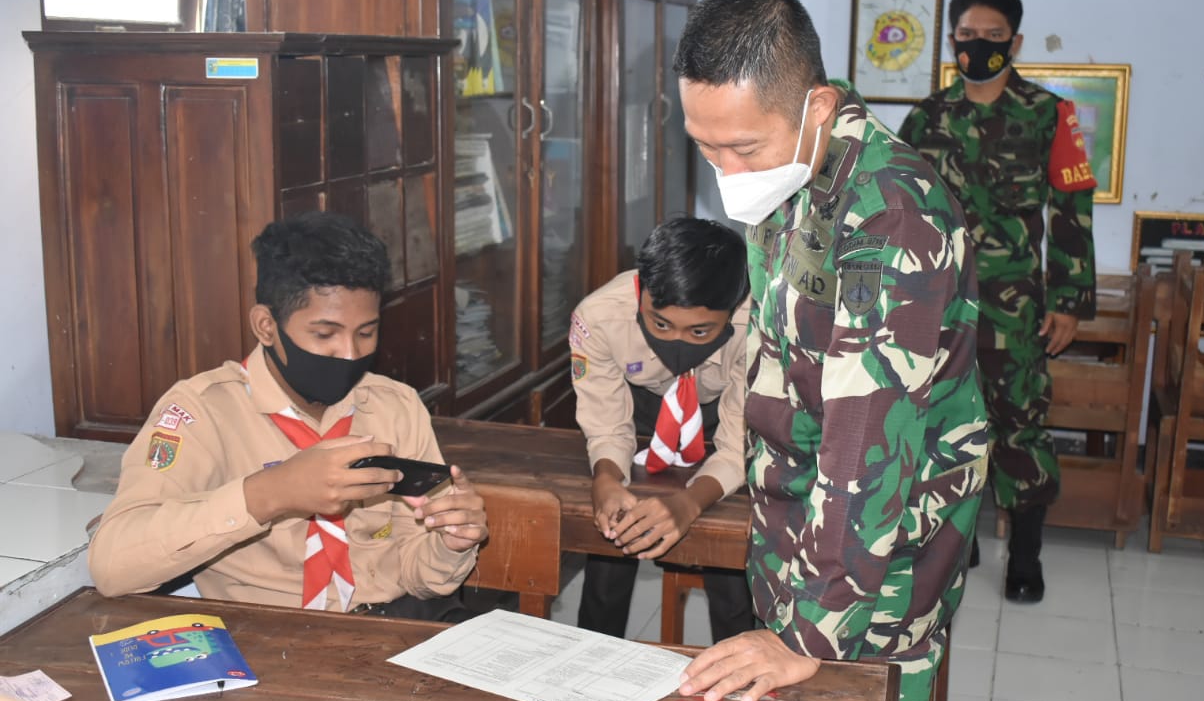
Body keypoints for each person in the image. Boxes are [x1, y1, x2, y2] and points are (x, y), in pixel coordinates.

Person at [671, 0, 988, 701]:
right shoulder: (792, 175)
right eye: (703, 144)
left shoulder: (892, 218)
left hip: (874, 568)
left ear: (816, 105)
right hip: (801, 535)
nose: (723, 168)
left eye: (741, 147)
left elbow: (866, 445)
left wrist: (806, 631)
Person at [88, 212, 487, 618]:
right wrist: (270, 493)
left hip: (389, 623)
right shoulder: (201, 412)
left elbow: (417, 572)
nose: (350, 354)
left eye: (366, 333)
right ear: (266, 326)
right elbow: (112, 567)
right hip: (269, 638)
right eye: (325, 334)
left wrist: (450, 543)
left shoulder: (394, 406)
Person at [899, 0, 1096, 604]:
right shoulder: (925, 118)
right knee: (943, 426)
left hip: (1016, 306)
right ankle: (958, 542)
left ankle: (1026, 557)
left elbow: (1072, 210)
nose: (977, 46)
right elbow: (903, 211)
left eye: (991, 37)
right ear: (952, 38)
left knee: (1020, 427)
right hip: (938, 303)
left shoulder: (1049, 114)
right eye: (966, 35)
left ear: (1014, 41)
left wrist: (1069, 302)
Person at [570, 216, 754, 643]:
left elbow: (737, 444)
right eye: (660, 325)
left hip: (718, 415)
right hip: (641, 414)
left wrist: (690, 503)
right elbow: (606, 423)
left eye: (700, 331)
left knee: (729, 559)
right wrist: (607, 478)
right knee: (612, 536)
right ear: (640, 294)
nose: (679, 342)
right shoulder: (599, 316)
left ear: (733, 308)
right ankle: (590, 664)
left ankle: (740, 672)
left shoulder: (760, 326)